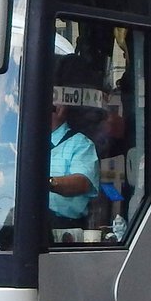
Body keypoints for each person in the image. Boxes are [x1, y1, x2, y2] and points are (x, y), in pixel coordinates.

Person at [49, 100, 99, 235]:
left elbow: (82, 183)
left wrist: (46, 182)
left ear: (60, 109)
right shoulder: (25, 142)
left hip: (63, 226)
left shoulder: (80, 143)